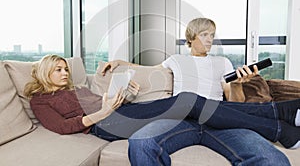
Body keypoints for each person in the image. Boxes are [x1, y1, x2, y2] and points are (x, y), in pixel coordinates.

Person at [25, 55, 299, 164]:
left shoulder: (76, 90)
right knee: (189, 99)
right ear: (45, 72)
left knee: (191, 102)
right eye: (58, 69)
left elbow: (106, 100)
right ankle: (281, 117)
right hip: (105, 123)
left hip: (121, 112)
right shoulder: (40, 100)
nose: (64, 72)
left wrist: (126, 91)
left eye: (65, 68)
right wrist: (104, 112)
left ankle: (281, 122)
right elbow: (63, 126)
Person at [103, 18, 297, 165]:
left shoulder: (223, 62)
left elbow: (234, 101)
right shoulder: (176, 60)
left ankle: (281, 120)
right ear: (191, 37)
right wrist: (120, 62)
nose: (210, 40)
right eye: (205, 35)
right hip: (181, 121)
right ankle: (280, 118)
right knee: (141, 143)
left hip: (222, 122)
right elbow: (146, 70)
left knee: (273, 159)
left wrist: (238, 84)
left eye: (212, 35)